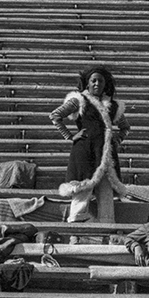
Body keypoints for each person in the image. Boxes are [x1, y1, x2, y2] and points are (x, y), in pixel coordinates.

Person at [50, 66, 130, 223]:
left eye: (100, 81)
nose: (97, 84)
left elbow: (125, 127)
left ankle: (108, 232)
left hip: (106, 156)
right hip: (85, 152)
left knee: (106, 194)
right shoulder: (79, 100)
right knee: (81, 191)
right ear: (87, 83)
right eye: (93, 80)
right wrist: (70, 136)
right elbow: (55, 115)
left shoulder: (113, 105)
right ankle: (75, 234)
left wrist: (115, 140)